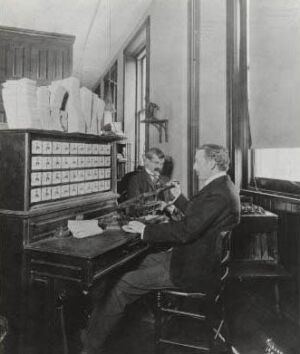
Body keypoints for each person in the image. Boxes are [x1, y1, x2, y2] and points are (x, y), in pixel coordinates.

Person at [81, 144, 240, 354]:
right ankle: (99, 327)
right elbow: (197, 217)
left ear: (211, 163)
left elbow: (186, 231)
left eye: (197, 161)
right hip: (195, 260)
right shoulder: (223, 186)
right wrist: (179, 198)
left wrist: (145, 230)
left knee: (123, 284)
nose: (193, 167)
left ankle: (91, 346)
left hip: (190, 269)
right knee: (139, 262)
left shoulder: (218, 193)